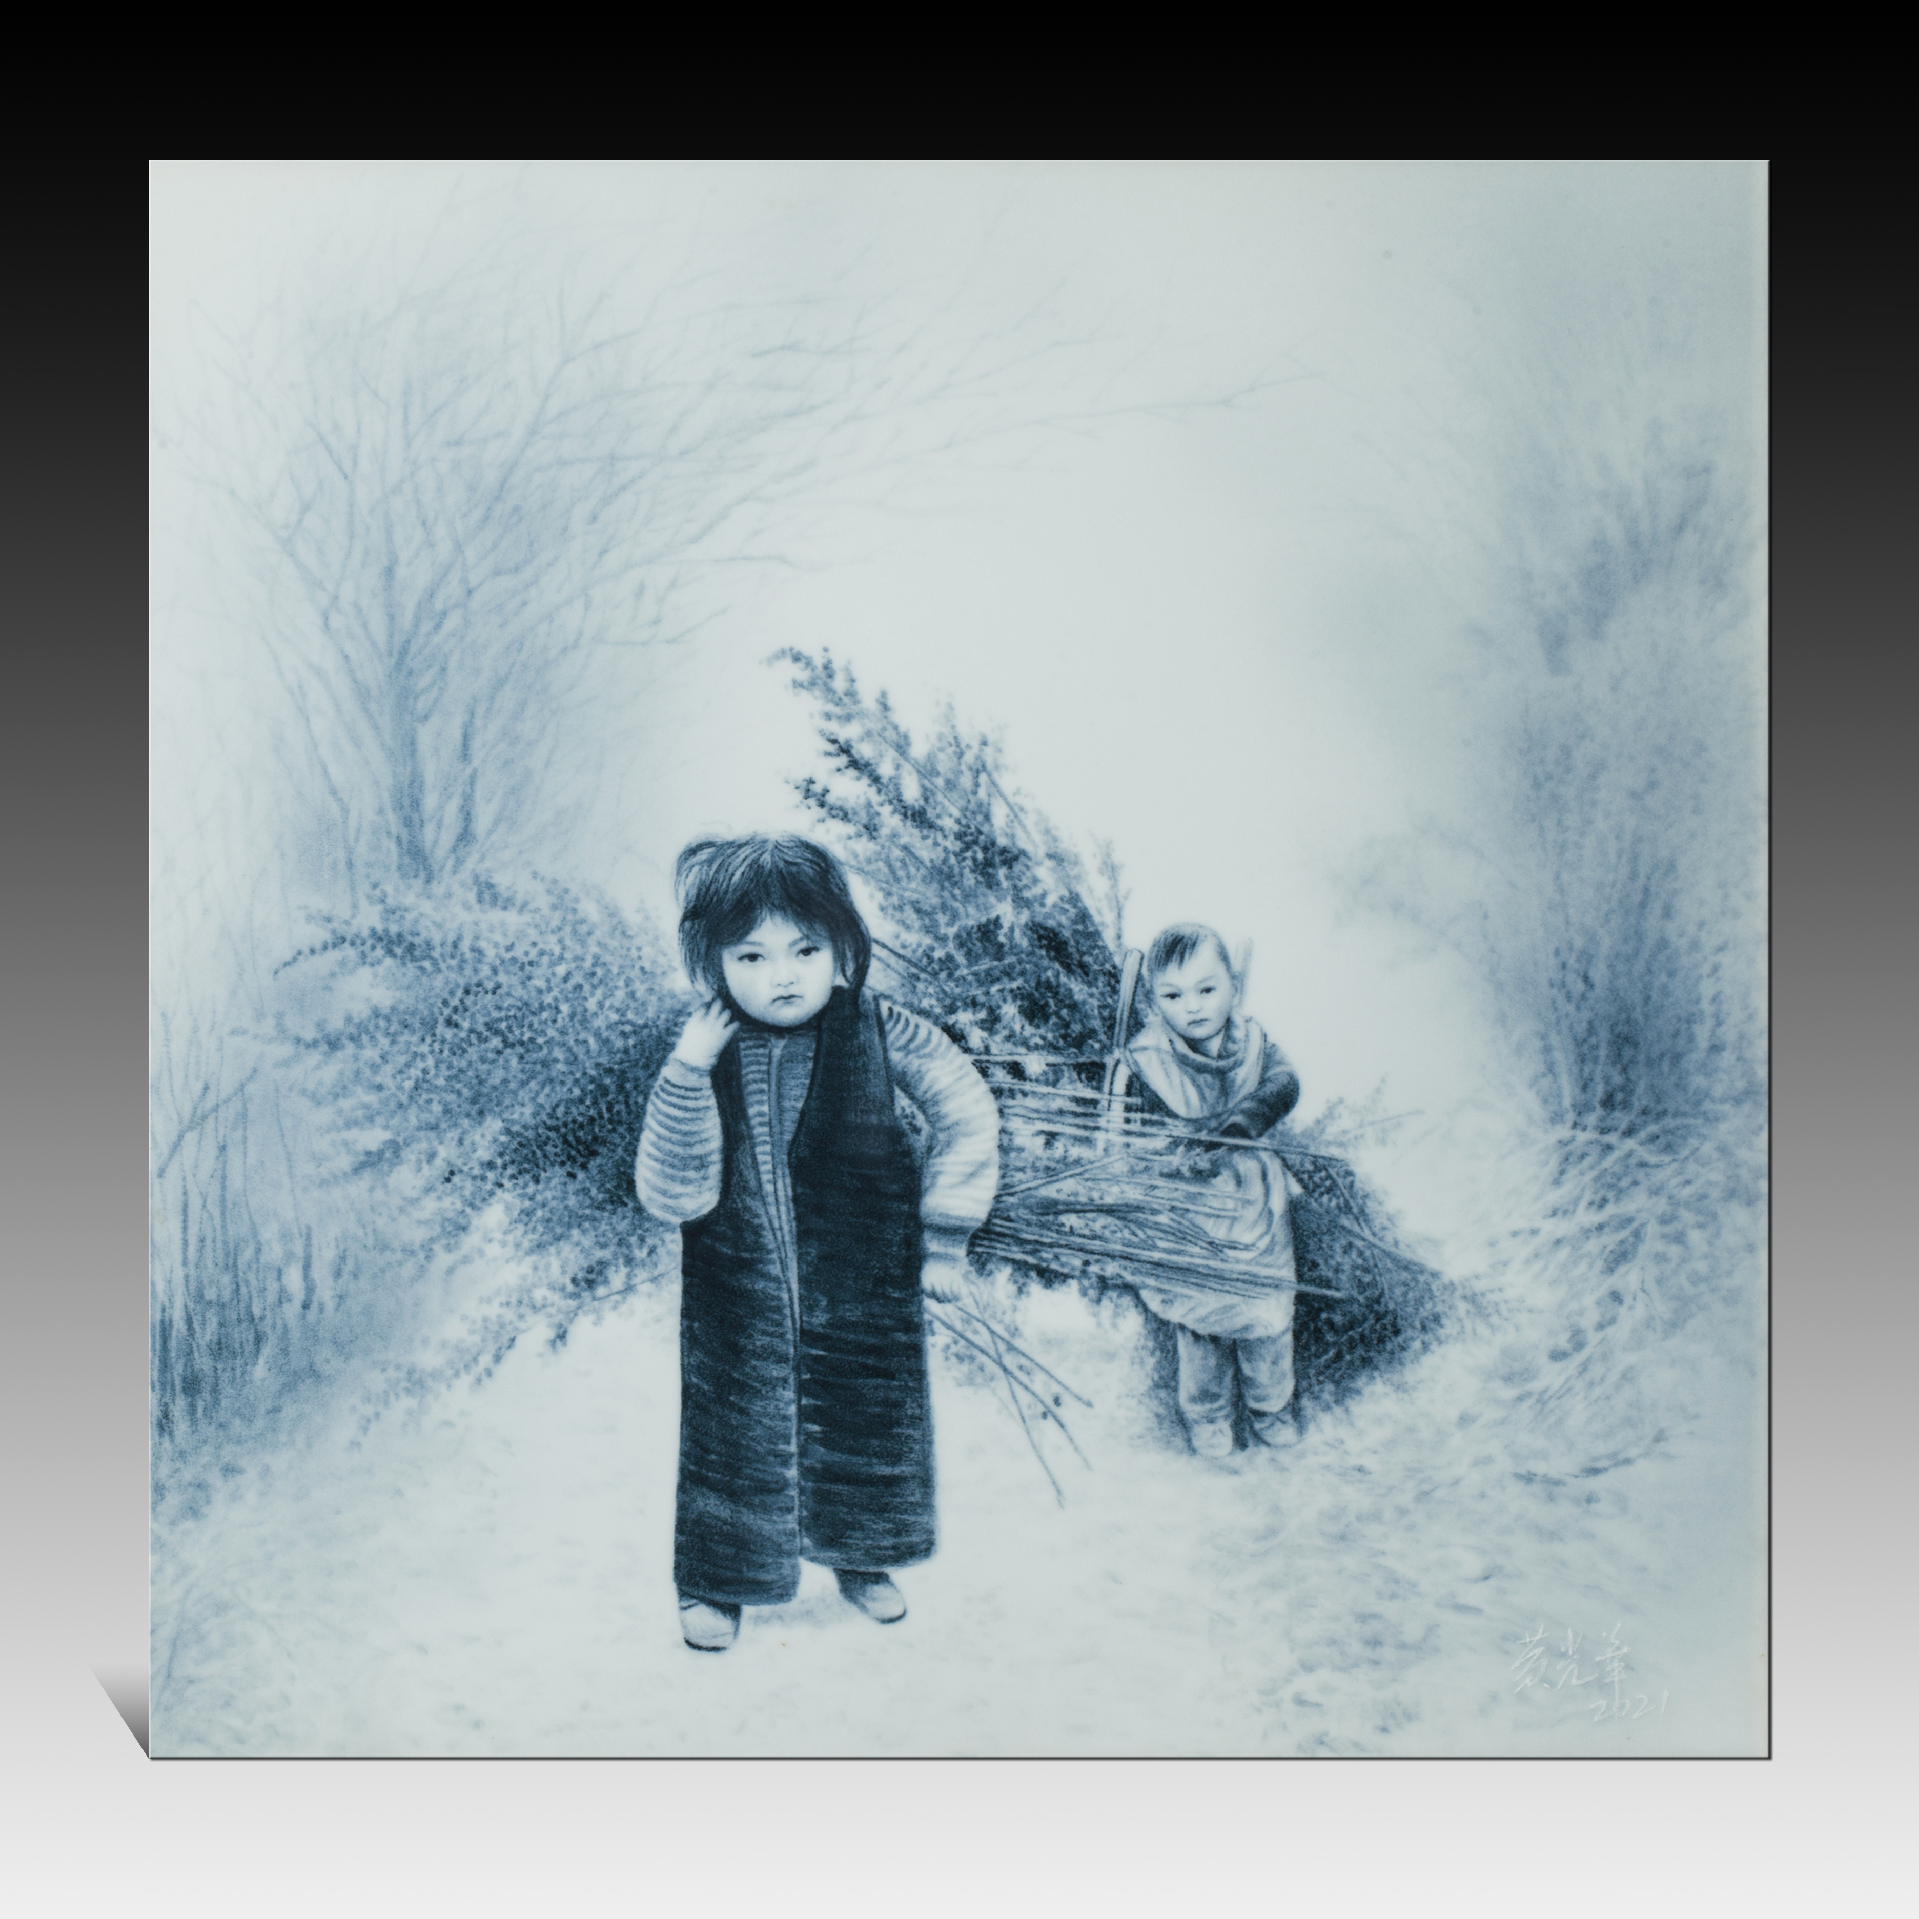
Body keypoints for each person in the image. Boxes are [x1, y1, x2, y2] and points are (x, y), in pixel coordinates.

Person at [636, 835, 1000, 1651]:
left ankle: (861, 1556)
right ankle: (718, 1580)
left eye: (805, 949)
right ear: (713, 961)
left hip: (862, 1281)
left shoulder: (881, 1027)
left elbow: (966, 1107)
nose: (783, 975)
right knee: (732, 1428)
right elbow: (671, 1194)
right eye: (752, 955)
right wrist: (688, 1071)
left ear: (840, 942)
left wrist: (945, 1235)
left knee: (866, 1414)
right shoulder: (703, 1046)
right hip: (737, 1291)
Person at [1111, 924, 1304, 1460]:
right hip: (1189, 1211)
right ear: (1154, 1001)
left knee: (1268, 1316)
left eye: (1206, 989)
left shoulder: (1255, 1043)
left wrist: (1242, 1123)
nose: (1192, 1007)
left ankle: (1270, 1408)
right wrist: (1168, 1160)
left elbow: (1285, 1083)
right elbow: (1131, 1140)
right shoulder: (1146, 1060)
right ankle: (1208, 1416)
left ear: (1233, 987)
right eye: (1173, 996)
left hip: (1255, 1203)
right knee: (1201, 1324)